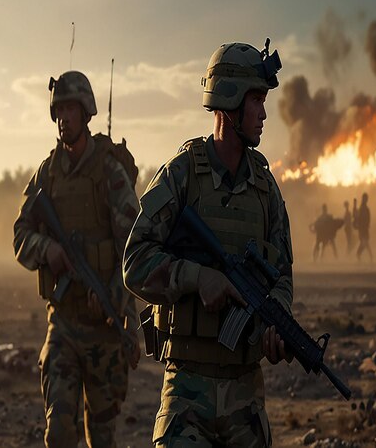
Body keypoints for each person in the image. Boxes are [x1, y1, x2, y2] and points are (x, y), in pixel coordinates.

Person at [123, 41, 293, 447]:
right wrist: (198, 278)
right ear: (230, 101)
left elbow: (283, 274)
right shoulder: (180, 176)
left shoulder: (266, 191)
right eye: (256, 100)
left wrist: (278, 316)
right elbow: (135, 261)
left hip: (245, 398)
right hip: (186, 394)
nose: (264, 113)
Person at [13, 71, 141, 448]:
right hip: (64, 326)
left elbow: (134, 247)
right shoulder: (47, 174)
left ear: (86, 113)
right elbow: (21, 233)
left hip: (105, 327)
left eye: (70, 108)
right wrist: (47, 250)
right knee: (60, 432)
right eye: (59, 110)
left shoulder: (110, 172)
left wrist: (114, 299)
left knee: (101, 437)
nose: (63, 117)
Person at [356, 192, 373, 262]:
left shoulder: (364, 208)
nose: (365, 200)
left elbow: (368, 218)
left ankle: (359, 254)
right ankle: (361, 254)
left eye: (366, 198)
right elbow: (359, 218)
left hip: (364, 228)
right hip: (362, 228)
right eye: (365, 198)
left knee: (365, 242)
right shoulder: (362, 208)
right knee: (365, 242)